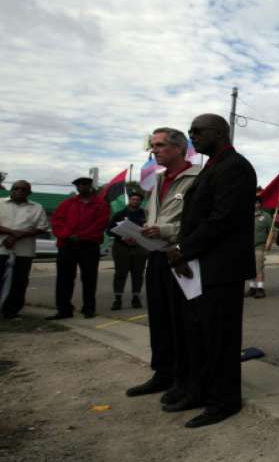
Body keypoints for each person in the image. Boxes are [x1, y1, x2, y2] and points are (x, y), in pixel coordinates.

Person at [165, 113, 257, 428]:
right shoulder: (212, 166)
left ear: (218, 132)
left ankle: (224, 401)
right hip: (201, 267)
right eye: (190, 131)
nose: (192, 137)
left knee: (221, 339)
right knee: (200, 336)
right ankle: (201, 391)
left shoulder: (235, 167)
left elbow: (222, 219)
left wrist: (184, 249)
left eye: (197, 131)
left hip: (222, 269)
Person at [126, 127, 201, 403]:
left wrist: (164, 230)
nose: (154, 150)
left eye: (159, 145)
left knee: (181, 321)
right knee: (158, 318)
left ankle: (185, 378)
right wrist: (142, 232)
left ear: (180, 148)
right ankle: (163, 372)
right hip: (156, 255)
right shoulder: (158, 180)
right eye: (152, 146)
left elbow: (200, 222)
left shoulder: (198, 178)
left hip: (180, 256)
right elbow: (153, 216)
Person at [47, 176, 110, 320]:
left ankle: (88, 308)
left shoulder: (101, 204)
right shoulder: (67, 204)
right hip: (67, 245)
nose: (82, 186)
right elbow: (57, 221)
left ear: (91, 186)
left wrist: (81, 236)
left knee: (89, 278)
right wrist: (67, 235)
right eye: (79, 184)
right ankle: (64, 309)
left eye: (85, 184)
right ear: (76, 187)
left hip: (89, 246)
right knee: (64, 278)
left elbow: (100, 224)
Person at [0, 180, 50, 320]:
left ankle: (11, 311)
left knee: (19, 282)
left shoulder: (37, 207)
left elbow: (42, 226)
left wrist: (19, 235)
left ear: (29, 192)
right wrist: (12, 233)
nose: (19, 191)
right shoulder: (0, 203)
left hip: (24, 251)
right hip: (1, 249)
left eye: (23, 189)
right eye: (16, 188)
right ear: (11, 190)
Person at [106, 192, 148, 310]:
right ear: (129, 200)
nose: (135, 201)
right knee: (120, 274)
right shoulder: (119, 214)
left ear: (140, 202)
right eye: (133, 199)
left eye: (137, 199)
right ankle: (117, 299)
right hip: (121, 247)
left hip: (139, 247)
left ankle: (136, 298)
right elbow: (109, 230)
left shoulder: (145, 215)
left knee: (138, 274)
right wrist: (122, 236)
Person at [246, 196, 270, 299]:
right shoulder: (246, 216)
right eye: (253, 203)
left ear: (260, 204)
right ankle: (252, 288)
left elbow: (271, 230)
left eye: (257, 203)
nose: (255, 205)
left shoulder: (266, 216)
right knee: (249, 268)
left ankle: (260, 289)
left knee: (258, 268)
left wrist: (269, 242)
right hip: (247, 247)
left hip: (259, 246)